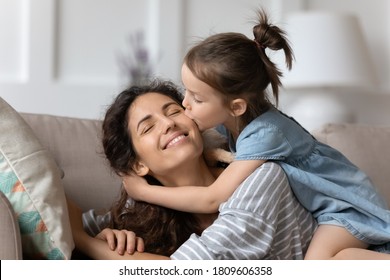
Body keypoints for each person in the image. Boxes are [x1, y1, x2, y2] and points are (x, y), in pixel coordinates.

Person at [123, 10, 390, 259]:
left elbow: (213, 198)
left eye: (197, 98)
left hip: (346, 208)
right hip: (330, 209)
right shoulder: (231, 121)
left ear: (236, 106)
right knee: (342, 262)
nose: (185, 105)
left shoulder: (266, 133)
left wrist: (144, 192)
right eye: (186, 91)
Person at [68, 79, 318, 260]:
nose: (168, 123)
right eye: (148, 127)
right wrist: (107, 237)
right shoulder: (142, 214)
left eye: (175, 111)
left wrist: (87, 244)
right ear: (138, 165)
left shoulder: (260, 177)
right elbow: (56, 210)